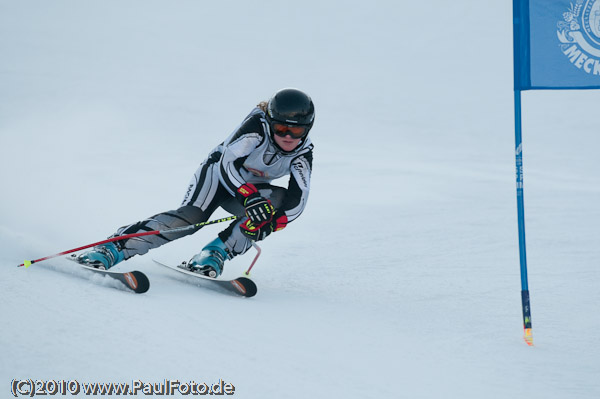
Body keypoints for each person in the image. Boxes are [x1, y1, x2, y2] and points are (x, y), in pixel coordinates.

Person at [75, 88, 315, 277]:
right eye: (282, 128)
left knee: (271, 209)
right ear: (270, 122)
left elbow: (298, 200)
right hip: (218, 176)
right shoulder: (256, 129)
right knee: (192, 219)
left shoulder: (302, 153)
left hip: (249, 190)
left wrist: (273, 224)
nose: (288, 137)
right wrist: (248, 196)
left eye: (296, 132)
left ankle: (214, 254)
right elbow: (226, 165)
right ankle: (113, 248)